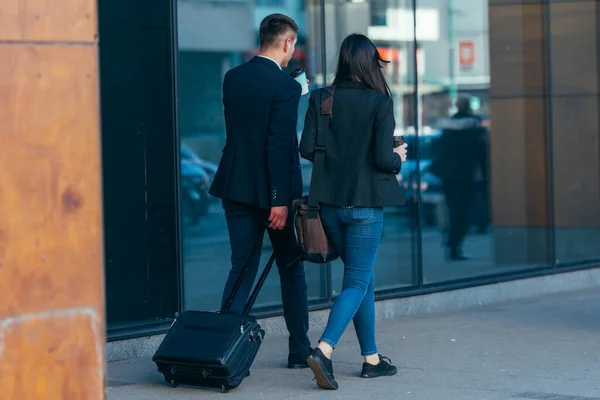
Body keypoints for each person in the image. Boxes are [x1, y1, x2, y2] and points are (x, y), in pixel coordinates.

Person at [299, 33, 407, 390]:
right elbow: (381, 158)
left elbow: (306, 149)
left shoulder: (321, 98)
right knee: (358, 280)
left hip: (328, 206)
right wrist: (399, 158)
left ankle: (371, 359)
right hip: (363, 207)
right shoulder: (379, 103)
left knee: (364, 280)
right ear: (369, 64)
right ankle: (325, 349)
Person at [209, 14, 311, 369]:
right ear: (287, 43)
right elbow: (278, 145)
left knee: (241, 269)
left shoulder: (233, 77)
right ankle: (299, 350)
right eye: (293, 44)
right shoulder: (287, 87)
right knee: (290, 269)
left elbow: (245, 132)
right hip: (272, 195)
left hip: (235, 185)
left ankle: (220, 352)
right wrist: (278, 201)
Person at [429, 95, 486, 261]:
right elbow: (480, 152)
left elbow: (436, 148)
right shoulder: (475, 126)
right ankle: (455, 243)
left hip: (449, 175)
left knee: (454, 208)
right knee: (465, 210)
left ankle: (452, 242)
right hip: (467, 174)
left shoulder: (448, 126)